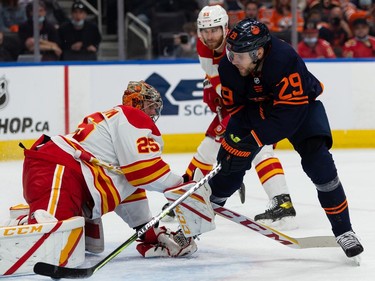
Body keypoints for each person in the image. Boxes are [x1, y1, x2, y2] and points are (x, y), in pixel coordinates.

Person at [208, 18, 364, 260]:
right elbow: (236, 109)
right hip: (254, 110)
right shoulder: (229, 67)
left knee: (320, 165)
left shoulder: (284, 59)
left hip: (300, 109)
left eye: (239, 54)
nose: (232, 58)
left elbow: (288, 116)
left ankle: (344, 231)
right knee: (228, 165)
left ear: (258, 52)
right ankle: (205, 212)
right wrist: (237, 146)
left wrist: (256, 138)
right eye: (231, 52)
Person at [18, 80, 214, 259]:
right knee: (46, 244)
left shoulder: (118, 133)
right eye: (150, 106)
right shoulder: (132, 116)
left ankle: (35, 216)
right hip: (57, 171)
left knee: (80, 246)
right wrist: (183, 185)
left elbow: (130, 189)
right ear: (136, 104)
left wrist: (151, 233)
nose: (154, 112)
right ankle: (28, 222)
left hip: (68, 178)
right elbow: (145, 172)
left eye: (156, 107)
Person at [162, 5, 297, 229]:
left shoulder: (242, 43)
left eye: (214, 30)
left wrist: (229, 108)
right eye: (204, 31)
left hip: (260, 102)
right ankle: (184, 199)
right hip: (237, 102)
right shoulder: (203, 45)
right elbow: (214, 76)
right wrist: (215, 95)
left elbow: (253, 81)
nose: (209, 36)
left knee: (261, 150)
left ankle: (283, 204)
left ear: (225, 28)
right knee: (207, 149)